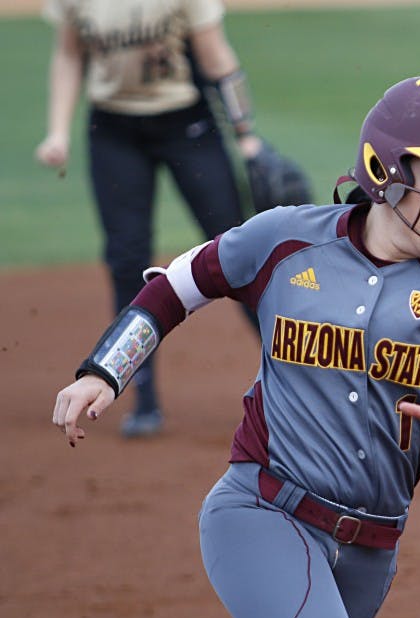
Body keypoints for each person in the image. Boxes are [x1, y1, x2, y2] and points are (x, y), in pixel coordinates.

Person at [52, 75, 420, 618]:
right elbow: (175, 289)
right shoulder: (286, 239)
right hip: (262, 513)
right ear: (384, 166)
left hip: (371, 553)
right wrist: (104, 370)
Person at [36, 0, 267, 438]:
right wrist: (58, 130)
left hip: (187, 125)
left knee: (238, 252)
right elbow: (69, 54)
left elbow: (218, 58)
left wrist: (246, 135)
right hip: (114, 131)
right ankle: (139, 395)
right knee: (126, 258)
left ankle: (302, 377)